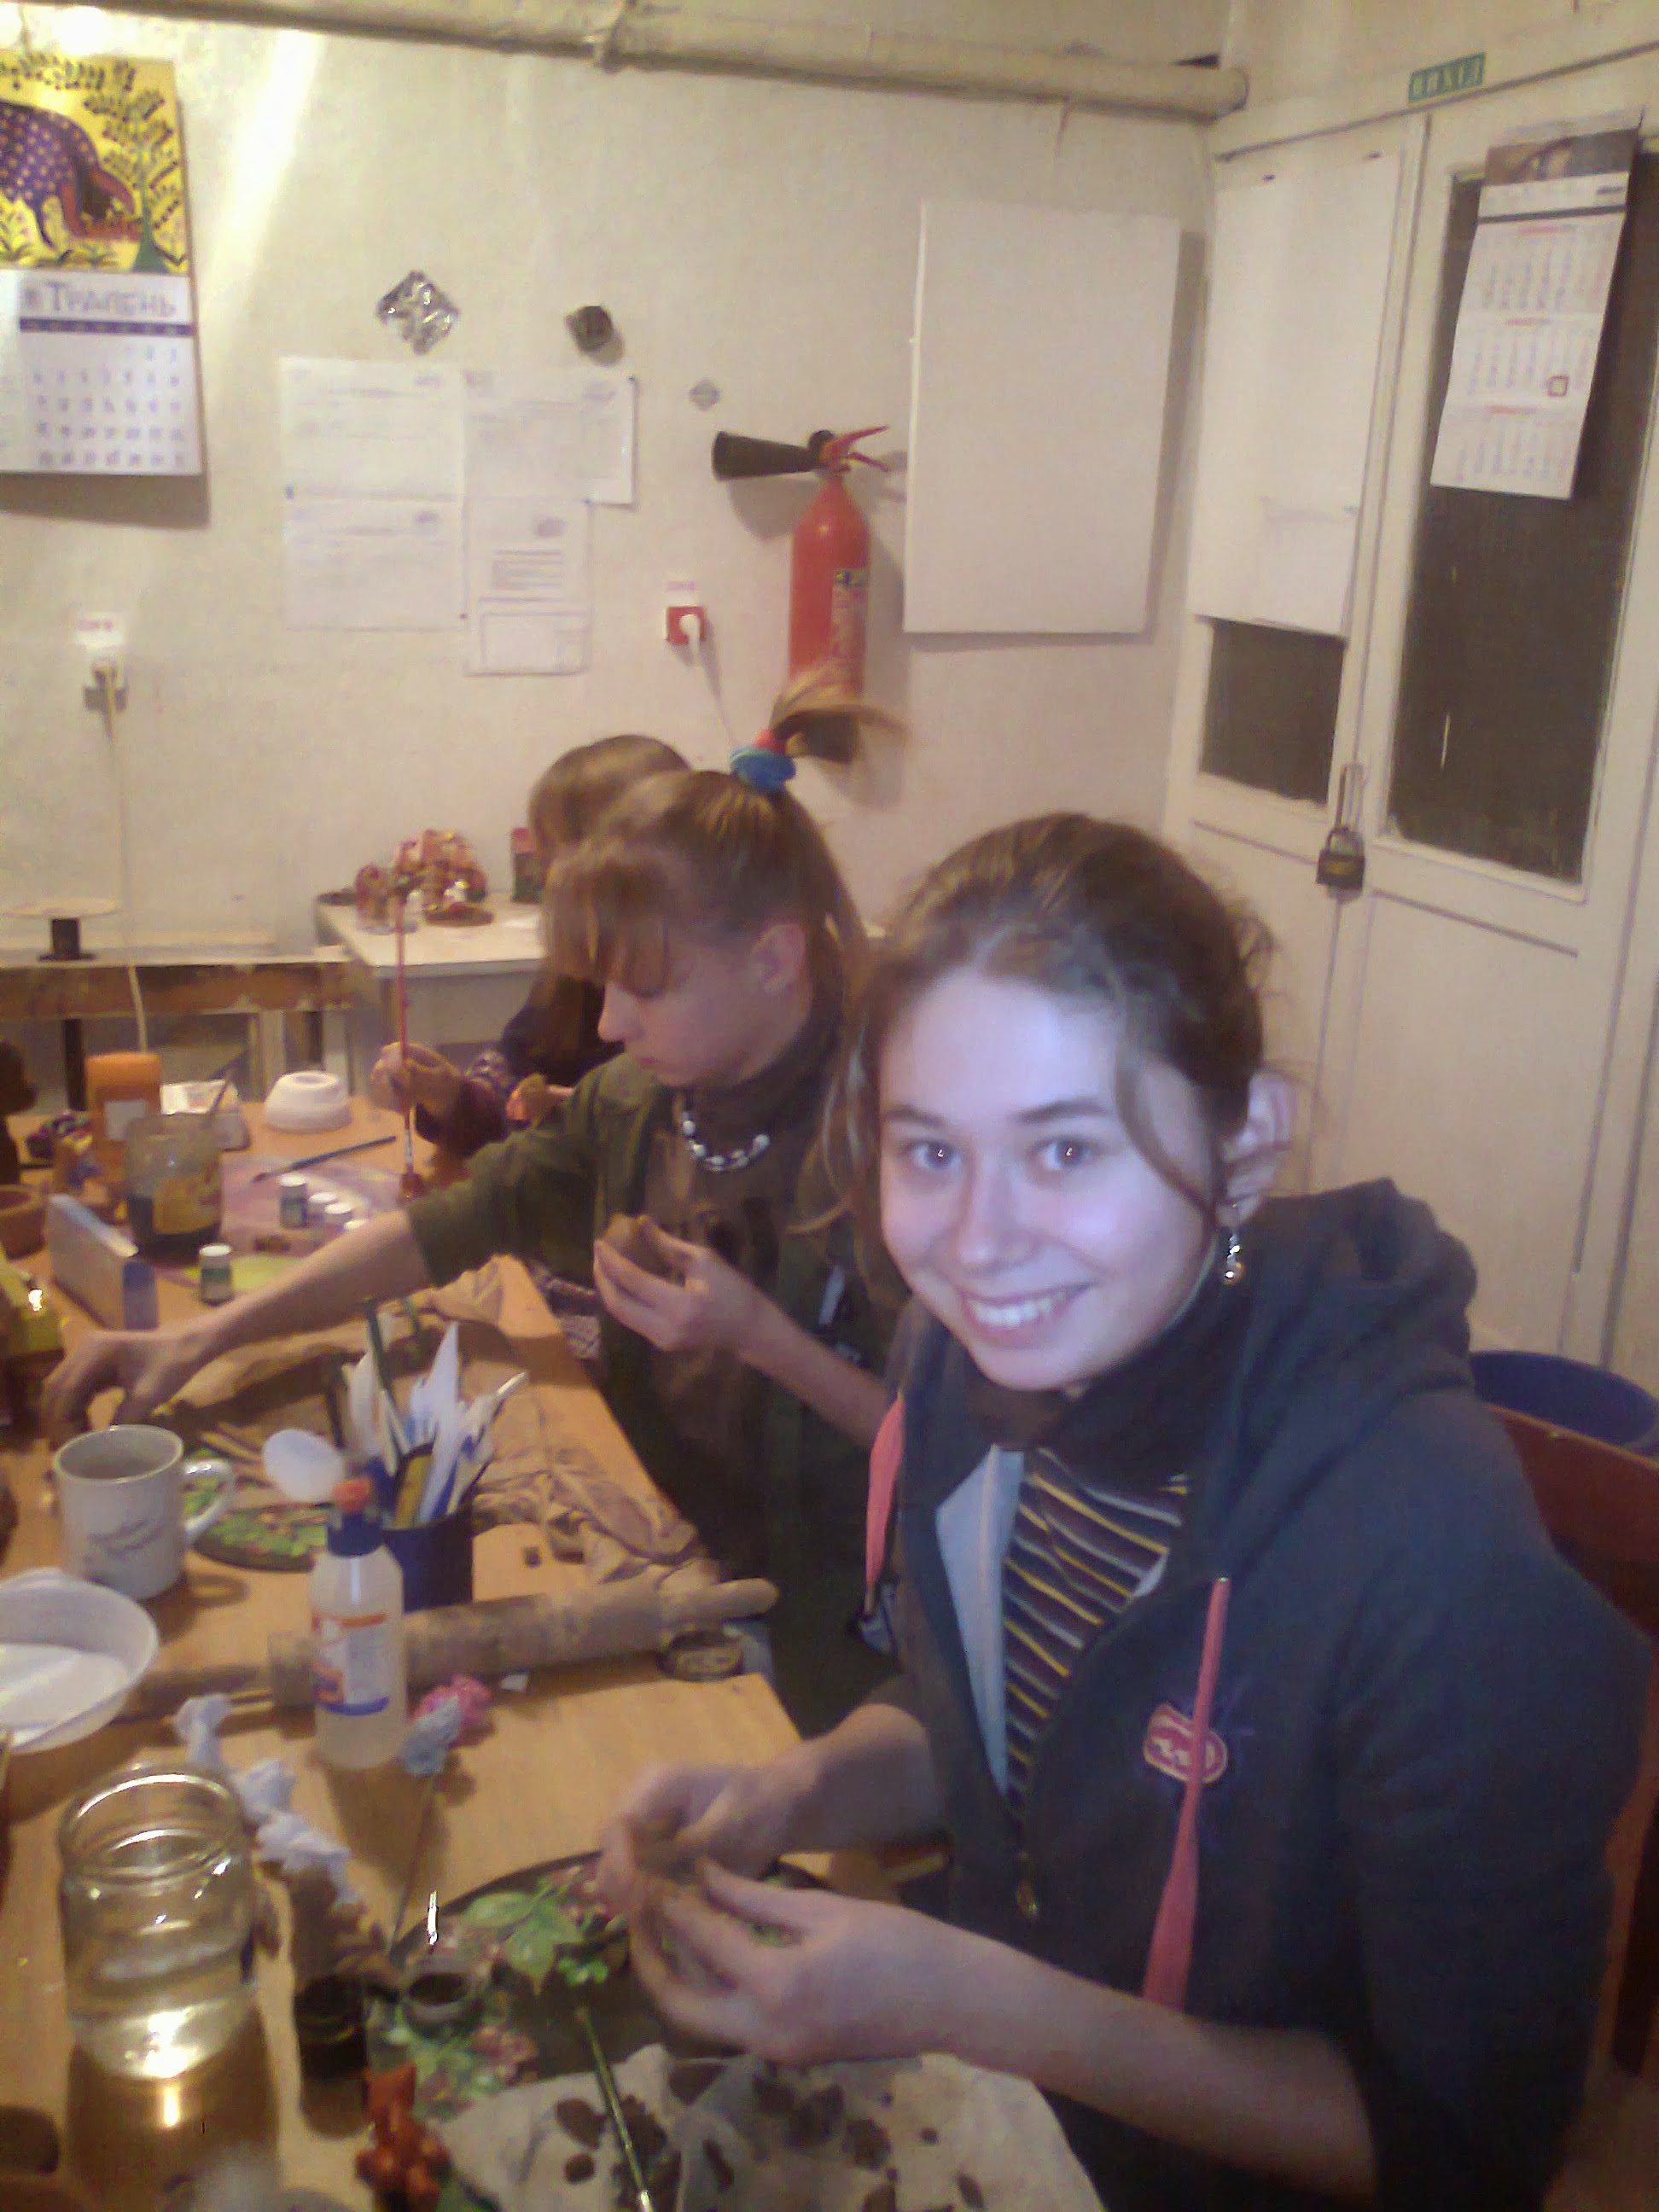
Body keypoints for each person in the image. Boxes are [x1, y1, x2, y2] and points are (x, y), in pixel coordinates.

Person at [597, 814, 1650, 2210]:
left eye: (1065, 1151)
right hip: (1001, 2139)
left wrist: (975, 2003)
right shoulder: (961, 1372)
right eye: (929, 1154)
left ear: (1243, 1145)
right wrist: (798, 1788)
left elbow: (1464, 2151)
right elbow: (990, 1720)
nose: (978, 1246)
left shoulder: (1431, 1555)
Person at [44, 751, 896, 1732]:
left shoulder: (893, 1152)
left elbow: (961, 1464)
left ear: (774, 960)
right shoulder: (641, 1105)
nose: (611, 1023)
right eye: (603, 988)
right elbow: (448, 1224)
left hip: (830, 1643)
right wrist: (203, 1336)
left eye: (645, 989)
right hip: (664, 1557)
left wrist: (760, 1339)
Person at [369, 733, 687, 1156]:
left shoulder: (688, 1006)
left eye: (561, 860)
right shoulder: (571, 983)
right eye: (546, 861)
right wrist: (449, 1096)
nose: (547, 881)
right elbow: (505, 1109)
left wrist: (581, 1115)